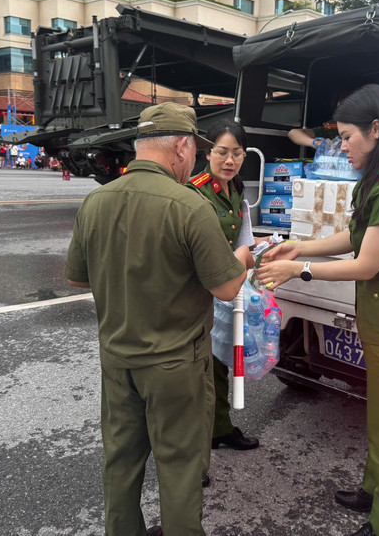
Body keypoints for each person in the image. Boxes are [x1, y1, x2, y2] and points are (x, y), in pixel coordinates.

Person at [256, 84, 379, 536]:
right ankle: (372, 491)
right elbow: (355, 237)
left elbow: (366, 263)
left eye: (347, 137)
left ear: (375, 130)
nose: (341, 147)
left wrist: (300, 269)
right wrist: (303, 245)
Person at [65, 102, 254, 536]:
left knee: (121, 464)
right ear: (182, 147)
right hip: (174, 365)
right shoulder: (189, 206)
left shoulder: (96, 200)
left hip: (117, 361)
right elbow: (226, 287)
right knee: (180, 469)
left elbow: (78, 279)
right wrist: (242, 256)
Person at [189, 121, 261, 465]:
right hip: (200, 290)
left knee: (220, 362)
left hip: (228, 287)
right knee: (200, 370)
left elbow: (243, 239)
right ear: (207, 153)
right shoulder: (195, 191)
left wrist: (267, 246)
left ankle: (220, 428)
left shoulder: (236, 190)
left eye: (237, 153)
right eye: (222, 152)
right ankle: (196, 453)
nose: (229, 160)